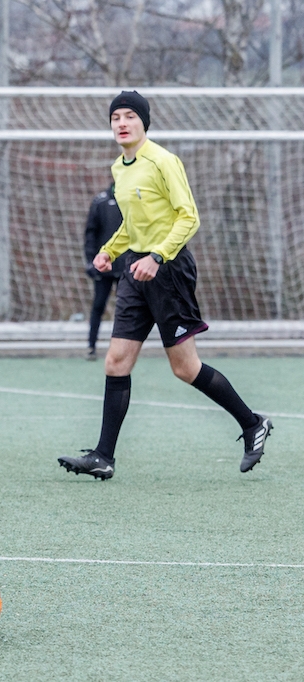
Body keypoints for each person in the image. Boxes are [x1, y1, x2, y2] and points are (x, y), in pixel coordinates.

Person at [58, 91, 273, 481]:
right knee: (116, 361)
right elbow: (133, 224)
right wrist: (109, 251)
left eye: (130, 116)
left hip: (168, 270)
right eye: (116, 117)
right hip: (134, 271)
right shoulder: (119, 168)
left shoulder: (163, 161)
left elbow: (188, 218)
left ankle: (252, 422)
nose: (122, 123)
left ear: (144, 122)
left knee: (185, 368)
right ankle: (103, 456)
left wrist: (157, 257)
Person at [83, 182, 123, 360]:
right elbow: (90, 233)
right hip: (104, 266)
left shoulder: (134, 199)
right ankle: (91, 346)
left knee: (126, 308)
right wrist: (91, 261)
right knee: (98, 305)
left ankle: (122, 348)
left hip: (126, 266)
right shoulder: (100, 202)